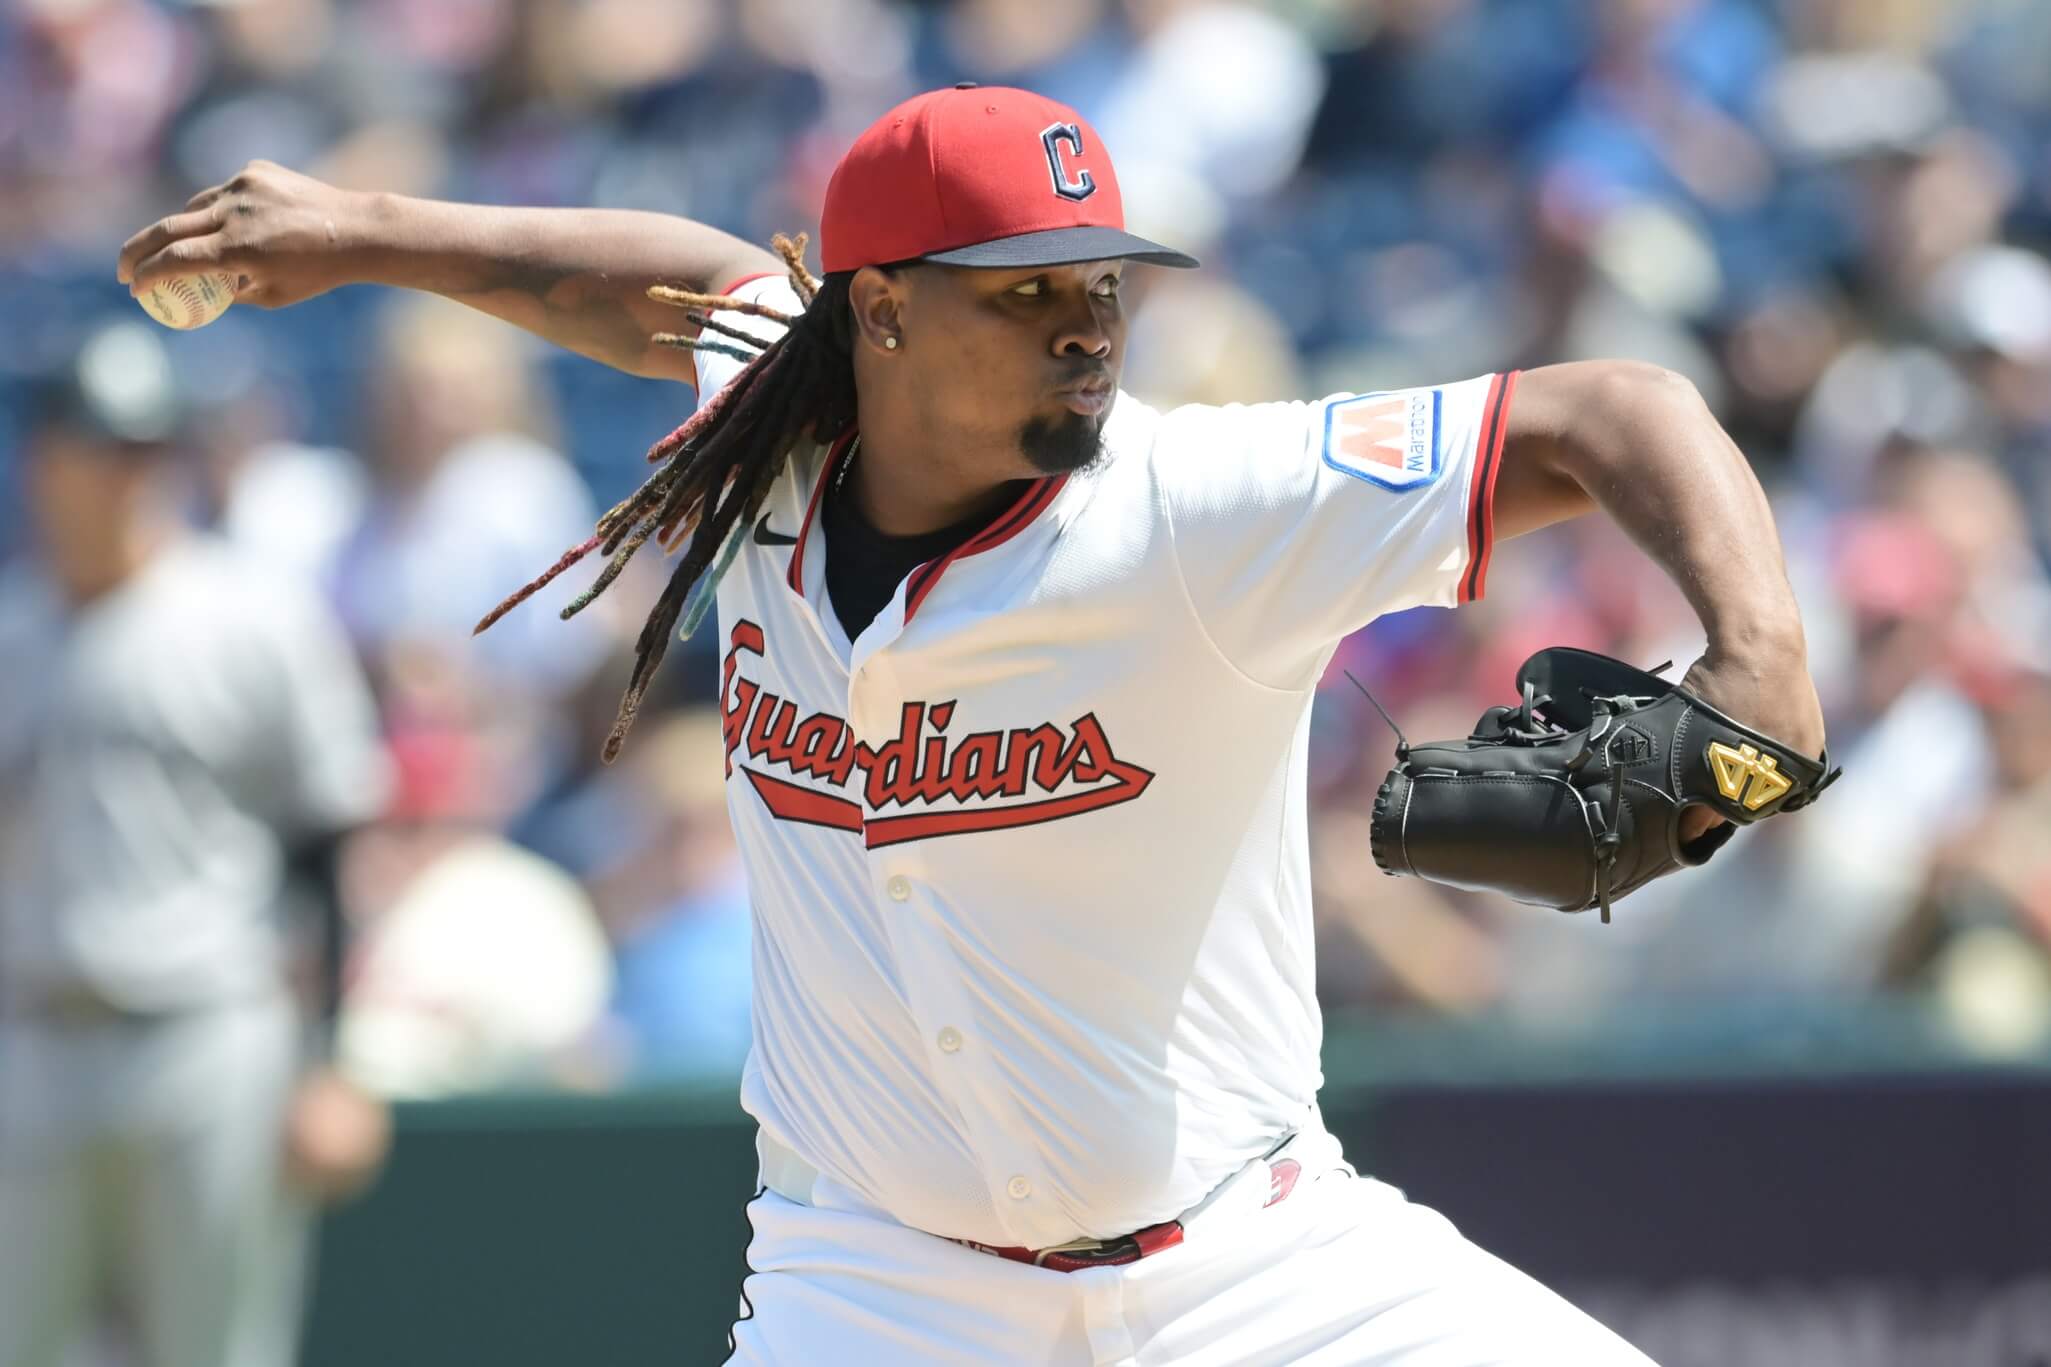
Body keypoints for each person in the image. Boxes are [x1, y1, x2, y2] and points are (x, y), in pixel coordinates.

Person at [119, 85, 1827, 1365]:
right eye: (1023, 289)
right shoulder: (773, 426)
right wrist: (355, 229)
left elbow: (1621, 408)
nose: (1085, 321)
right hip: (875, 1285)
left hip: (1252, 1267)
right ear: (875, 309)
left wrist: (1754, 660)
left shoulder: (1192, 501)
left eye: (1099, 279)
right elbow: (651, 285)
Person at [0, 323, 392, 1367]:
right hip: (30, 1029)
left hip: (206, 1031)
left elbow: (326, 844)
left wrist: (329, 1063)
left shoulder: (251, 615)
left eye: (147, 449)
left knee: (219, 1350)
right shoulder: (13, 629)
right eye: (104, 448)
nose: (129, 475)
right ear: (44, 460)